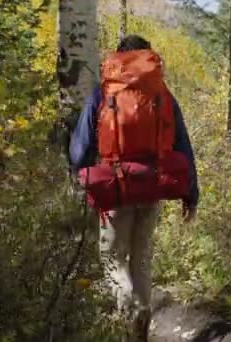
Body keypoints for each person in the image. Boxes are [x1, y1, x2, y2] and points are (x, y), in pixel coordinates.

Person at [69, 35, 199, 341]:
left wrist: (80, 175)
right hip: (153, 187)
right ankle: (141, 318)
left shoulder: (104, 91)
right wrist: (191, 194)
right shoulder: (162, 94)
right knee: (141, 258)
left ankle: (128, 311)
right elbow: (182, 144)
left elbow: (81, 146)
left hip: (115, 187)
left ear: (119, 57)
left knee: (113, 258)